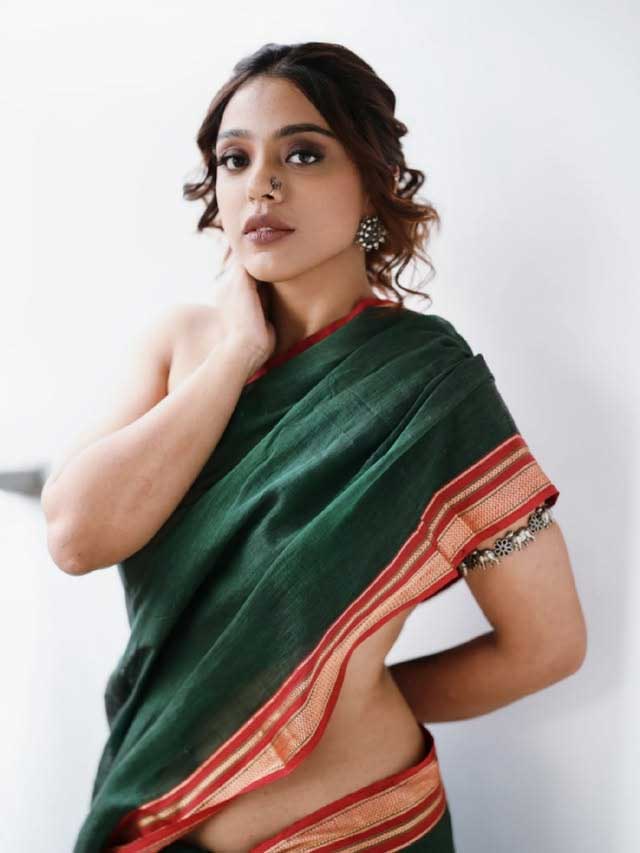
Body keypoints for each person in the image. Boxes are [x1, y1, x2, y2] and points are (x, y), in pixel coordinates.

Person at [42, 41, 587, 853]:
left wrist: (325, 694)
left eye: (302, 153)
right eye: (236, 159)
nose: (262, 183)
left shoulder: (426, 384)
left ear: (370, 177)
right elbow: (75, 536)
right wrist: (235, 355)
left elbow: (547, 644)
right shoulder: (182, 349)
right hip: (164, 820)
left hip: (366, 827)